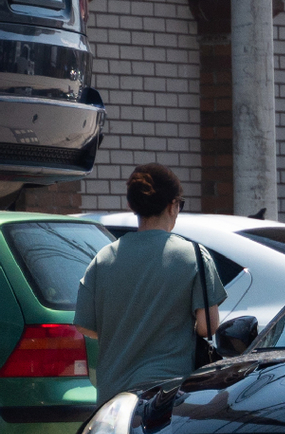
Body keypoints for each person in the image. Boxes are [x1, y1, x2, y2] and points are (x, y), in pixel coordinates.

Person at [72, 163, 221, 394]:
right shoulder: (195, 256)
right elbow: (206, 327)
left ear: (132, 206)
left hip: (113, 400)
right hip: (169, 397)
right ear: (172, 206)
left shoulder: (103, 259)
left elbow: (84, 324)